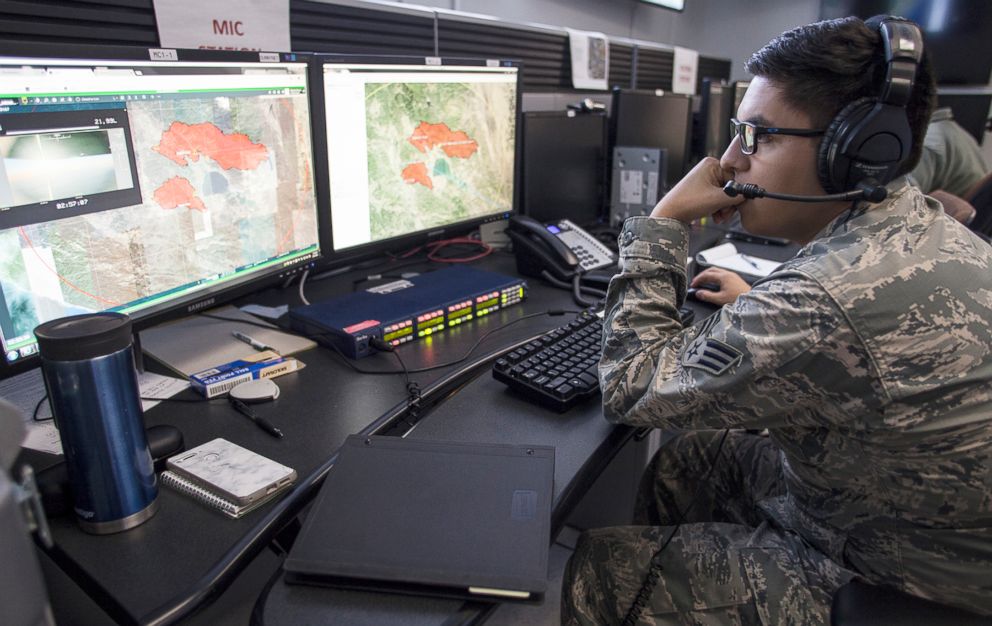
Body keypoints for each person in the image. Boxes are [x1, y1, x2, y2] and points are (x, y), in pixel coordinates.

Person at [561, 15, 992, 626]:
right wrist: (758, 298)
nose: (730, 161)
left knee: (604, 568)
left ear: (856, 153)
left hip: (907, 578)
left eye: (757, 136)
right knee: (685, 466)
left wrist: (661, 224)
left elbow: (633, 387)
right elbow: (850, 323)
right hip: (913, 514)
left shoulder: (824, 297)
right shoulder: (918, 223)